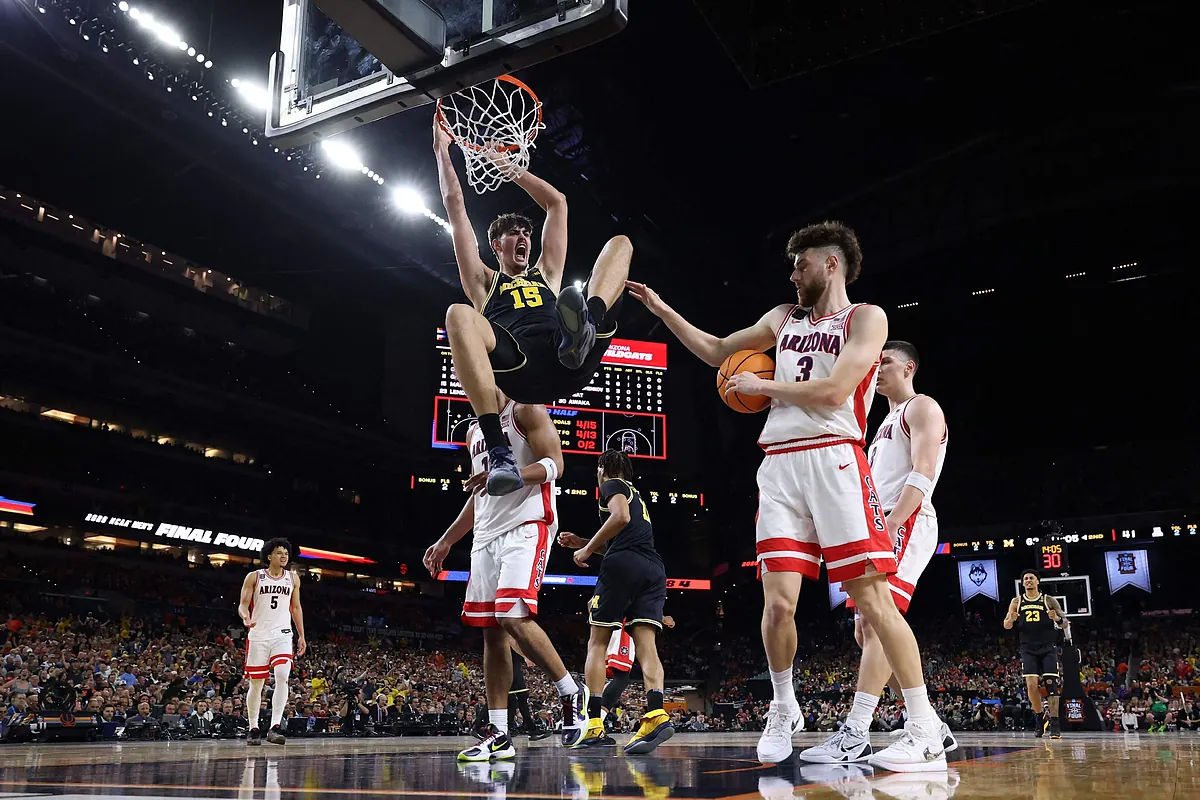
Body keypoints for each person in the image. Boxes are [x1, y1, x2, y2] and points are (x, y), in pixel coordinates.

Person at [627, 221, 946, 770]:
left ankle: (922, 726)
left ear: (831, 263)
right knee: (777, 603)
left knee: (874, 600)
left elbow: (836, 390)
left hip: (837, 459)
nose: (792, 273)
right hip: (779, 466)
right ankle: (783, 706)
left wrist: (763, 387)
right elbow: (715, 350)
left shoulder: (866, 318)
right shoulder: (781, 318)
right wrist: (663, 312)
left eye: (800, 262)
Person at [434, 117, 633, 496]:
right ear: (497, 245)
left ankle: (582, 330)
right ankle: (499, 449)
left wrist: (507, 166)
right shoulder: (484, 280)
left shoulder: (547, 273)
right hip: (521, 365)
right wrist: (442, 150)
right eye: (514, 233)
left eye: (527, 231)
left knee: (620, 243)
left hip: (569, 358)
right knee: (459, 314)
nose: (523, 236)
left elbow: (557, 203)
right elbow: (455, 206)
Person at [800, 341, 957, 763]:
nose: (877, 366)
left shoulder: (922, 407)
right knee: (867, 631)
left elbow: (923, 472)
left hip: (905, 517)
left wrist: (891, 524)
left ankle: (856, 732)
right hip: (879, 521)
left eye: (885, 360)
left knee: (876, 626)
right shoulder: (883, 422)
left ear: (909, 366)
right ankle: (934, 727)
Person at [423, 391, 587, 762]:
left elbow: (556, 464)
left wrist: (507, 474)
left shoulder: (525, 408)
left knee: (511, 616)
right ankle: (499, 733)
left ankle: (570, 690)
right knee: (491, 632)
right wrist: (447, 540)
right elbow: (480, 491)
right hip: (485, 536)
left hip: (528, 523)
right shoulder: (473, 432)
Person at [557, 449, 673, 754]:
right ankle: (656, 713)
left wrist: (585, 550)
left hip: (624, 566)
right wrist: (585, 543)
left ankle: (593, 723)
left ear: (601, 468)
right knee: (647, 646)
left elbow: (619, 517)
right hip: (653, 567)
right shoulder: (638, 496)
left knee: (597, 643)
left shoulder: (612, 484)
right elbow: (624, 537)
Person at [238, 537, 307, 747]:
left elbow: (296, 608)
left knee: (282, 675)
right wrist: (245, 617)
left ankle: (275, 726)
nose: (284, 555)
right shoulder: (254, 577)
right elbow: (242, 604)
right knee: (256, 684)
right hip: (258, 634)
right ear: (269, 556)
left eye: (286, 552)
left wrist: (302, 635)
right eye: (279, 552)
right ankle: (253, 728)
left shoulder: (293, 578)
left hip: (282, 634)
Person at [1004, 569, 1066, 739]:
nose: (1029, 581)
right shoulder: (1017, 601)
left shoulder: (1049, 600)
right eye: (1026, 579)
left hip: (1047, 647)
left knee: (1051, 685)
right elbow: (1006, 625)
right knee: (1031, 684)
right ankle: (1040, 717)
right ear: (1022, 583)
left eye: (1031, 578)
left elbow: (1065, 623)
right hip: (1028, 648)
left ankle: (1055, 723)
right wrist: (1011, 619)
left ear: (1038, 581)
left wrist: (1057, 619)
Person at [600, 615, 676, 733]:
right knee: (622, 676)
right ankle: (596, 722)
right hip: (624, 626)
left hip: (615, 624)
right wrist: (661, 617)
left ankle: (594, 720)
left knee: (619, 677)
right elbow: (639, 602)